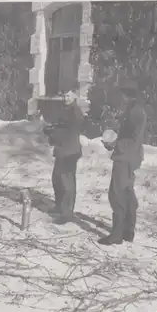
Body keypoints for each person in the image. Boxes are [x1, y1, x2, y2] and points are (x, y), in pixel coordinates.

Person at [99, 82, 147, 245]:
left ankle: (117, 234)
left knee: (117, 193)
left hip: (126, 156)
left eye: (124, 96)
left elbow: (131, 137)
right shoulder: (134, 110)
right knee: (127, 193)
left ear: (129, 96)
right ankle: (128, 231)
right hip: (130, 156)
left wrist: (114, 143)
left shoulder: (135, 112)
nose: (122, 99)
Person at [43, 90, 86, 225]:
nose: (66, 98)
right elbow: (61, 126)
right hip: (63, 150)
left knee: (67, 182)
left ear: (74, 97)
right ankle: (59, 206)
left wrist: (52, 133)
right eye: (64, 95)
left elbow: (69, 131)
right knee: (57, 178)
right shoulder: (66, 109)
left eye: (69, 95)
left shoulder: (75, 112)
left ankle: (67, 213)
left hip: (70, 151)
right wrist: (52, 128)